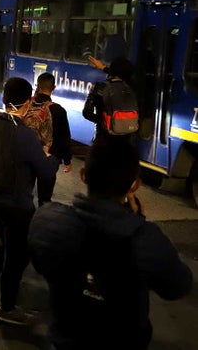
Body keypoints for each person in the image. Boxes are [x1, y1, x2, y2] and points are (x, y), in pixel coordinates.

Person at [28, 138, 193, 349]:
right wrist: (136, 222)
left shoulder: (47, 220)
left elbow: (40, 264)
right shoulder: (146, 239)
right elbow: (177, 287)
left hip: (65, 340)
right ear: (135, 184)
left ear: (83, 175)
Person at [0, 77, 59, 326]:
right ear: (27, 103)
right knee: (17, 257)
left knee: (9, 246)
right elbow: (45, 172)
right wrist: (51, 158)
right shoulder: (25, 135)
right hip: (18, 205)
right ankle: (7, 308)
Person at [32, 72, 72, 206]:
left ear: (38, 86)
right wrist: (67, 160)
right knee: (44, 198)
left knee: (25, 193)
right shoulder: (58, 110)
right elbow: (64, 137)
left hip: (29, 154)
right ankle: (43, 214)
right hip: (49, 157)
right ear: (53, 88)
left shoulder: (28, 106)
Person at [83, 56, 137, 147]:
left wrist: (103, 122)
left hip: (103, 140)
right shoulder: (133, 89)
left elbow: (87, 113)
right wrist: (104, 68)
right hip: (126, 142)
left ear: (112, 71)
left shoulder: (100, 87)